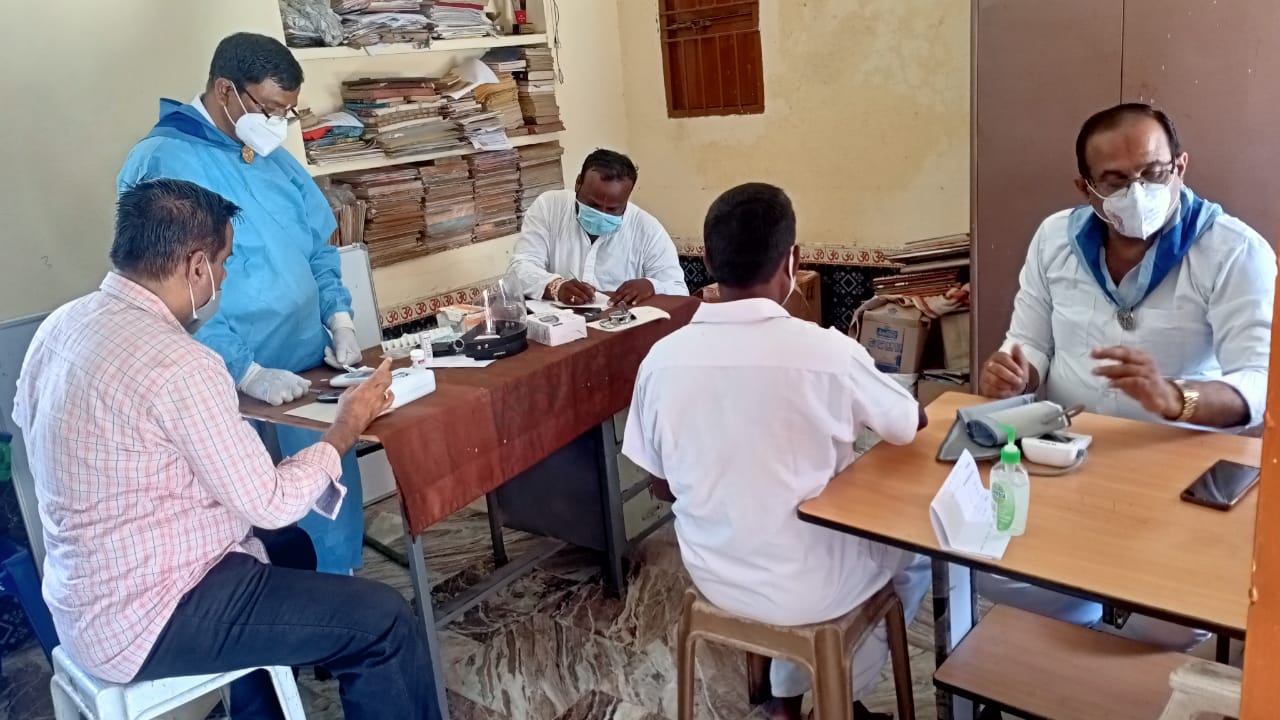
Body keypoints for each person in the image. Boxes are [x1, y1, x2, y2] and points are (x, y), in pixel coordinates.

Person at [13, 179, 439, 720]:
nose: (224, 277)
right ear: (196, 267)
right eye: (223, 263)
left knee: (292, 549)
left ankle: (262, 710)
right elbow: (272, 502)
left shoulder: (62, 325)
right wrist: (345, 427)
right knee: (384, 622)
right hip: (154, 613)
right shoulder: (180, 363)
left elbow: (46, 431)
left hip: (84, 596)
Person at [622, 183, 930, 720]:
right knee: (916, 558)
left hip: (714, 576)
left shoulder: (661, 359)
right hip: (816, 587)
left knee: (789, 538)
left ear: (708, 262)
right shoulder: (829, 352)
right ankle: (838, 699)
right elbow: (909, 425)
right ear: (793, 261)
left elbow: (662, 484)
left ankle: (784, 702)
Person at [977, 103, 1275, 649]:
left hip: (1179, 469)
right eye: (1115, 181)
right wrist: (1016, 370)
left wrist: (1178, 398)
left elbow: (1260, 381)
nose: (1138, 192)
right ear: (1085, 187)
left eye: (1154, 172)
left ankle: (1113, 658)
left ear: (1180, 166)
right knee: (991, 569)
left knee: (1180, 614)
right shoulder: (1054, 239)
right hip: (1065, 455)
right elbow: (1030, 340)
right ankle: (1076, 628)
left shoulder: (1234, 251)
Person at [117, 32, 366, 575]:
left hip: (307, 366)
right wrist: (246, 371)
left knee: (324, 489)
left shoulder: (271, 157)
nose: (279, 123)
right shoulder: (165, 161)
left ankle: (338, 589)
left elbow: (317, 246)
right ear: (227, 90)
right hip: (227, 381)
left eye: (287, 112)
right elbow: (172, 288)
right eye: (271, 109)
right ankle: (275, 610)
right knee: (255, 522)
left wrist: (339, 317)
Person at [508, 148, 689, 306]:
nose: (602, 214)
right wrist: (556, 286)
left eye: (612, 209)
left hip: (620, 326)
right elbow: (520, 268)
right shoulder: (549, 207)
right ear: (578, 183)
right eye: (592, 205)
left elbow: (679, 291)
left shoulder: (648, 230)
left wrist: (652, 286)